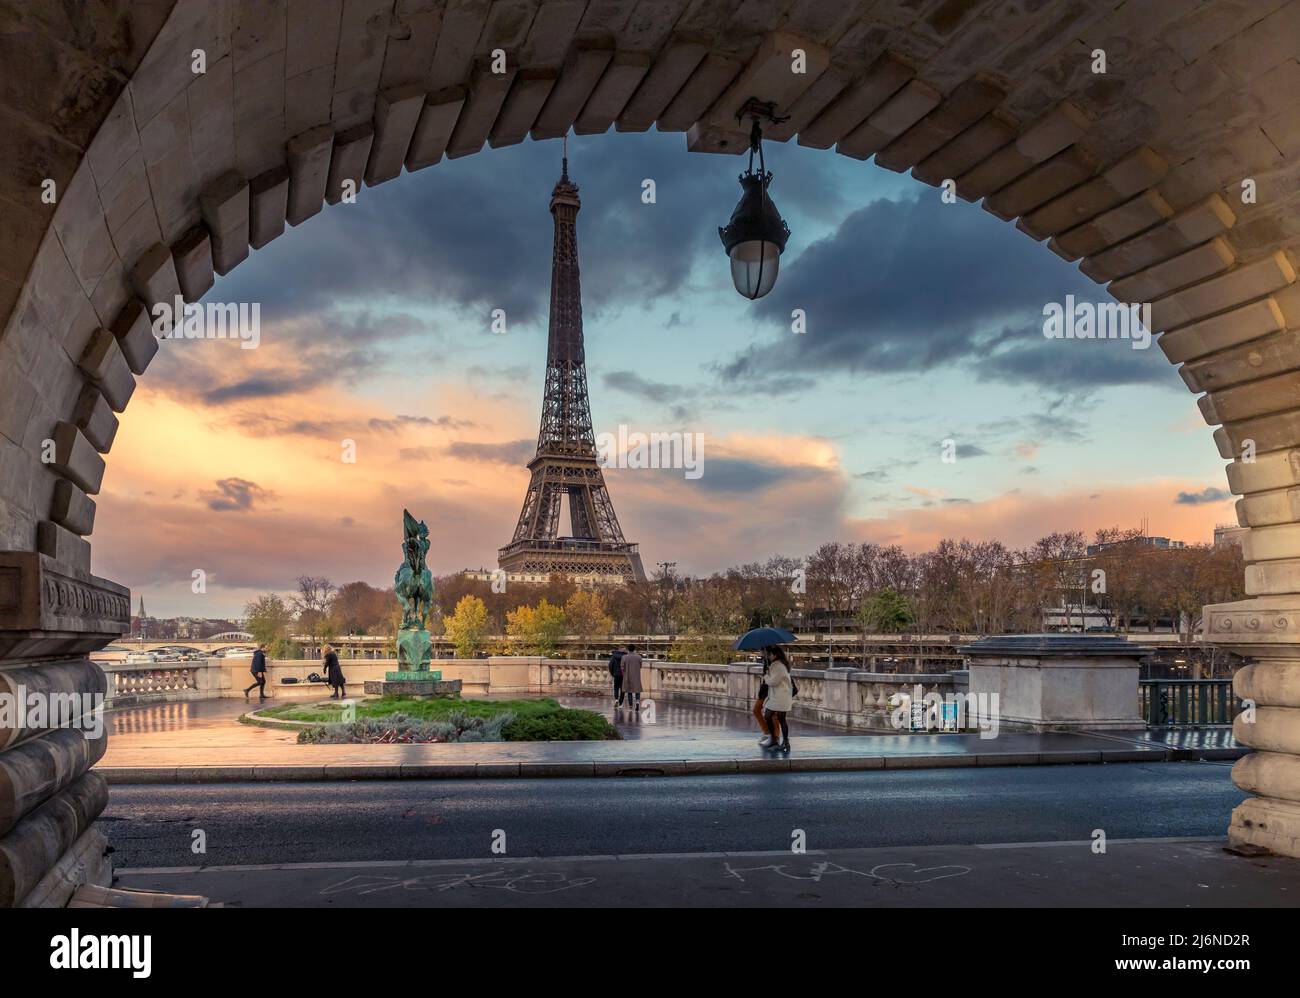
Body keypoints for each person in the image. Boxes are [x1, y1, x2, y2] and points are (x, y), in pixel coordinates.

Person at [762, 646, 794, 752]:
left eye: (770, 654)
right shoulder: (780, 665)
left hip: (780, 697)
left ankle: (777, 740)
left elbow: (773, 682)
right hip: (781, 696)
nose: (769, 656)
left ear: (775, 655)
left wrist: (765, 676)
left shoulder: (778, 666)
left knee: (769, 715)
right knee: (780, 719)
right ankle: (783, 742)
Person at [754, 649, 773, 746]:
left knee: (774, 715)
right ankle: (767, 732)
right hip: (765, 688)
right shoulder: (766, 659)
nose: (760, 650)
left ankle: (774, 738)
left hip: (772, 690)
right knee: (756, 710)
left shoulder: (773, 659)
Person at [621, 643, 643, 709]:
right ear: (634, 649)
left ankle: (630, 705)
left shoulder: (624, 657)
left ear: (628, 649)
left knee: (629, 691)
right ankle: (637, 702)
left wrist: (623, 675)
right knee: (637, 690)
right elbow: (640, 666)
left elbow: (622, 667)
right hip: (636, 676)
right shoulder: (639, 657)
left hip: (627, 676)